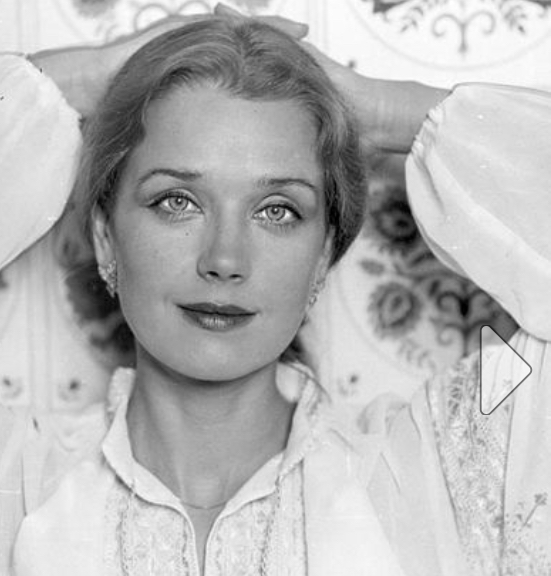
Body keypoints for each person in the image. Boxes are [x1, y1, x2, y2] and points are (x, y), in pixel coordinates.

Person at [1, 7, 550, 576]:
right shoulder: (20, 484)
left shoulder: (447, 469)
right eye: (177, 202)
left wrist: (388, 112)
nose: (224, 260)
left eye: (276, 210)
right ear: (105, 238)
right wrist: (73, 84)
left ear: (323, 255)